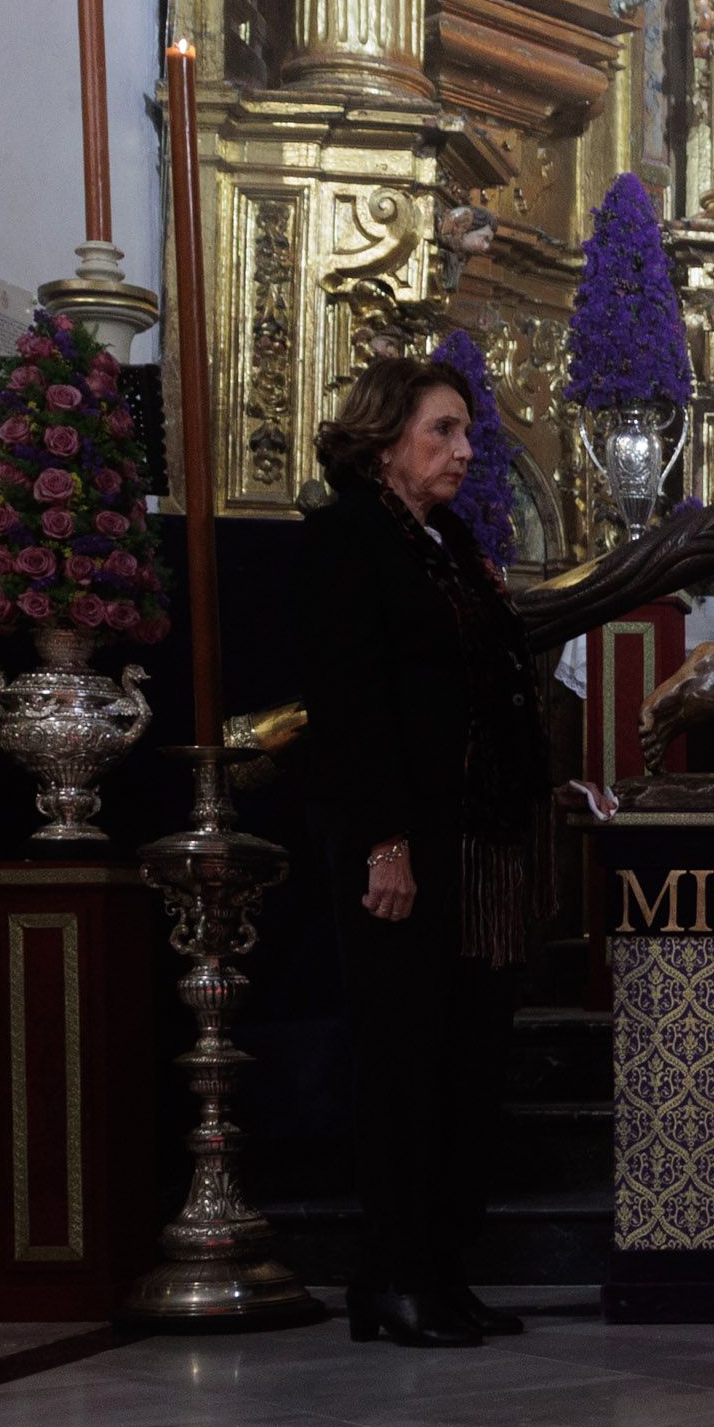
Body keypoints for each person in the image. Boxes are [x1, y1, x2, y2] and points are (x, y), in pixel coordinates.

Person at [290, 356, 557, 1349]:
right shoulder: (346, 540)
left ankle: (442, 1270)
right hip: (401, 841)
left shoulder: (448, 541)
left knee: (465, 1061)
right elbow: (352, 708)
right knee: (403, 1060)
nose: (464, 450)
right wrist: (384, 843)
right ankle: (392, 1275)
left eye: (466, 432)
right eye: (442, 430)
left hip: (474, 845)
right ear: (382, 440)